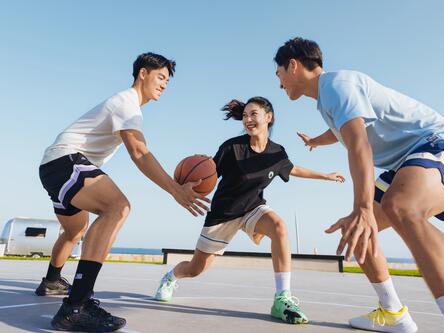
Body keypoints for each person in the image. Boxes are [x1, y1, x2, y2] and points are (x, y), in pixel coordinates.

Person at [274, 37, 444, 333]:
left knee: (400, 207)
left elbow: (359, 145)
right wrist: (316, 142)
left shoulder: (337, 85)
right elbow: (340, 130)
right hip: (405, 162)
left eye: (279, 74)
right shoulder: (329, 98)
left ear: (293, 66)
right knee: (358, 232)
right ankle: (393, 311)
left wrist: (362, 207)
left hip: (443, 146)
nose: (280, 83)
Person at [38, 52, 210, 332]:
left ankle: (52, 281)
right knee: (117, 207)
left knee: (74, 232)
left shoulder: (125, 105)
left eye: (168, 80)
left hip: (55, 166)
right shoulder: (128, 103)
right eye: (161, 77)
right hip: (64, 161)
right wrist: (176, 191)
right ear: (143, 73)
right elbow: (140, 153)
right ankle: (75, 306)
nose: (165, 84)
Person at [154, 96, 345, 324]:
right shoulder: (232, 147)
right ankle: (170, 277)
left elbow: (293, 169)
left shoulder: (277, 153)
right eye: (245, 115)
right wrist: (187, 186)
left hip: (253, 208)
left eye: (253, 114)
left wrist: (326, 176)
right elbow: (207, 174)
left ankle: (282, 298)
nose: (248, 119)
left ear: (268, 117)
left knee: (279, 227)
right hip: (223, 214)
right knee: (196, 269)